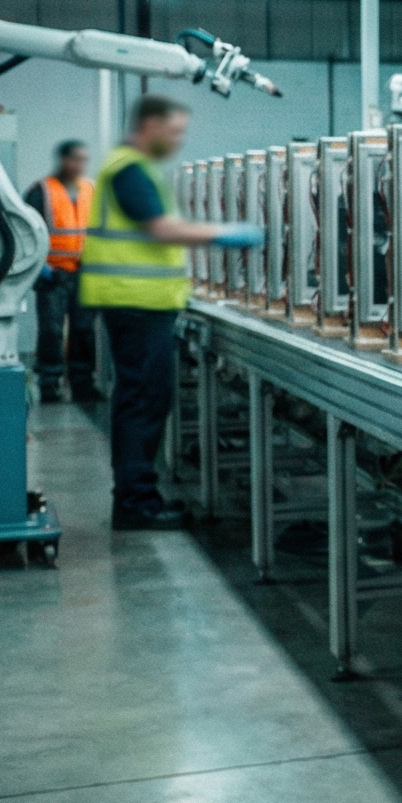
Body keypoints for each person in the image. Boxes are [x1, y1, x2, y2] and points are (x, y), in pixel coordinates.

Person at [80, 93, 262, 531]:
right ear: (150, 125)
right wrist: (227, 233)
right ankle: (136, 502)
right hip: (135, 302)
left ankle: (136, 496)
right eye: (175, 131)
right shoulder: (130, 170)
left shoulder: (130, 168)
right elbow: (163, 230)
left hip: (139, 303)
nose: (179, 140)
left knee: (140, 400)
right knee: (143, 401)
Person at [23, 139, 100, 403]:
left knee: (83, 330)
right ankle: (49, 385)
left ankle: (82, 384)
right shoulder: (41, 191)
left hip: (84, 274)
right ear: (63, 160)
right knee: (51, 332)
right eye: (75, 159)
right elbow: (26, 236)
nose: (79, 165)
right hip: (53, 276)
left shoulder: (91, 189)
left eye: (83, 160)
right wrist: (42, 271)